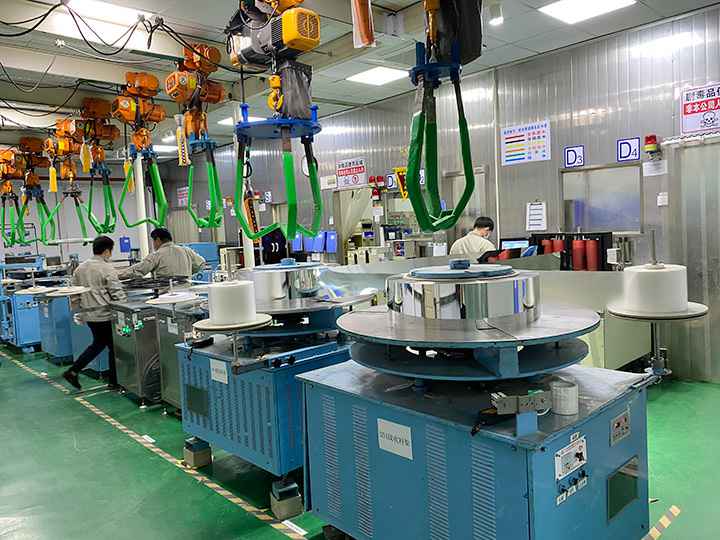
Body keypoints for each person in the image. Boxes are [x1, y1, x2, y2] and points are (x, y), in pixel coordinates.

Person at [63, 236, 126, 390]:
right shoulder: (107, 268)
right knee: (114, 347)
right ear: (107, 251)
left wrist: (79, 312)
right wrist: (126, 306)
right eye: (111, 251)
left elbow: (74, 293)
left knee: (99, 343)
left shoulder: (80, 268)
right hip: (104, 314)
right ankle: (113, 382)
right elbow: (116, 292)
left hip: (90, 315)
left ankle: (74, 371)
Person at [118, 227, 205, 281]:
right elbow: (201, 264)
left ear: (158, 240)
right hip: (188, 295)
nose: (153, 244)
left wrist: (116, 276)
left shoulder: (157, 255)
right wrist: (188, 273)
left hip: (167, 297)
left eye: (153, 241)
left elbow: (137, 270)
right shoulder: (186, 250)